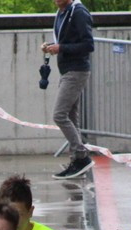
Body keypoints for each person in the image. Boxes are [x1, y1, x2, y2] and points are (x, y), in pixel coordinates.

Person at [42, 0, 95, 180]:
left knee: (59, 115)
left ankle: (81, 156)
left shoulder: (78, 12)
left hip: (76, 70)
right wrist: (52, 46)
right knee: (71, 116)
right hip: (67, 70)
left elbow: (89, 45)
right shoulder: (63, 12)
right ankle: (76, 161)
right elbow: (67, 40)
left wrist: (61, 48)